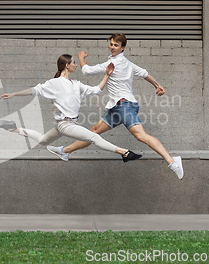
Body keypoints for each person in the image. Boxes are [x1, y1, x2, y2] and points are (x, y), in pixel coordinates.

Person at [47, 34, 184, 179]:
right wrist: (157, 86)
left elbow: (86, 71)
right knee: (93, 132)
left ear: (122, 47)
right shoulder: (128, 64)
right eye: (111, 44)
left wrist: (81, 57)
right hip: (116, 108)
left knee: (141, 136)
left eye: (116, 45)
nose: (112, 47)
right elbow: (145, 74)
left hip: (124, 106)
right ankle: (65, 151)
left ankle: (172, 161)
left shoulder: (114, 64)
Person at [0, 54, 141, 162]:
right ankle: (125, 153)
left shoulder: (76, 84)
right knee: (94, 137)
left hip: (63, 125)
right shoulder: (55, 83)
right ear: (67, 65)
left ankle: (13, 128)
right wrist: (14, 94)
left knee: (43, 141)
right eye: (74, 63)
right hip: (65, 124)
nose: (76, 65)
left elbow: (97, 90)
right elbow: (34, 90)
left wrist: (107, 75)